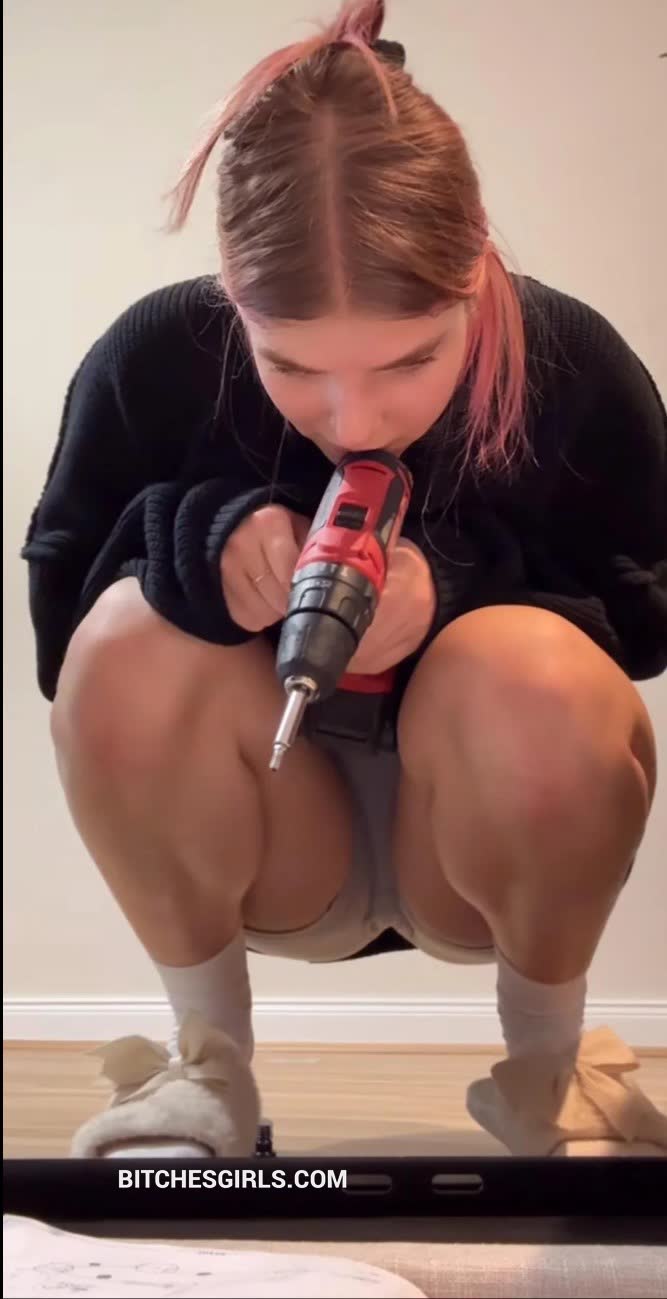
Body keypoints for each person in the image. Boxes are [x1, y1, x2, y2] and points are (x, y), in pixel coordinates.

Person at [23, 0, 667, 1160]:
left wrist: (456, 591)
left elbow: (650, 611)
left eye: (411, 360)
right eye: (289, 364)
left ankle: (547, 1074)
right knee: (122, 642)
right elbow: (60, 634)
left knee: (521, 667)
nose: (353, 419)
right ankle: (205, 1074)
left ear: (475, 264)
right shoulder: (154, 359)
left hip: (486, 859)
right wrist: (198, 543)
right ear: (232, 292)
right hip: (269, 847)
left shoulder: (571, 363)